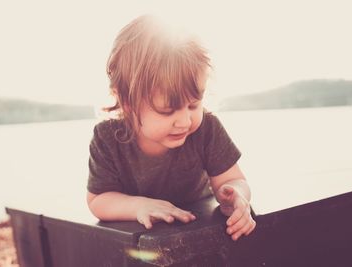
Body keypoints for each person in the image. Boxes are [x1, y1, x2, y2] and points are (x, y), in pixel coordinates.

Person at [86, 15, 256, 241]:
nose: (185, 121)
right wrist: (139, 207)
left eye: (193, 105)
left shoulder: (207, 128)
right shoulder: (108, 138)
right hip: (143, 238)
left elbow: (232, 180)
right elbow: (98, 200)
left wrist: (237, 197)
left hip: (197, 223)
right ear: (127, 103)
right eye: (167, 110)